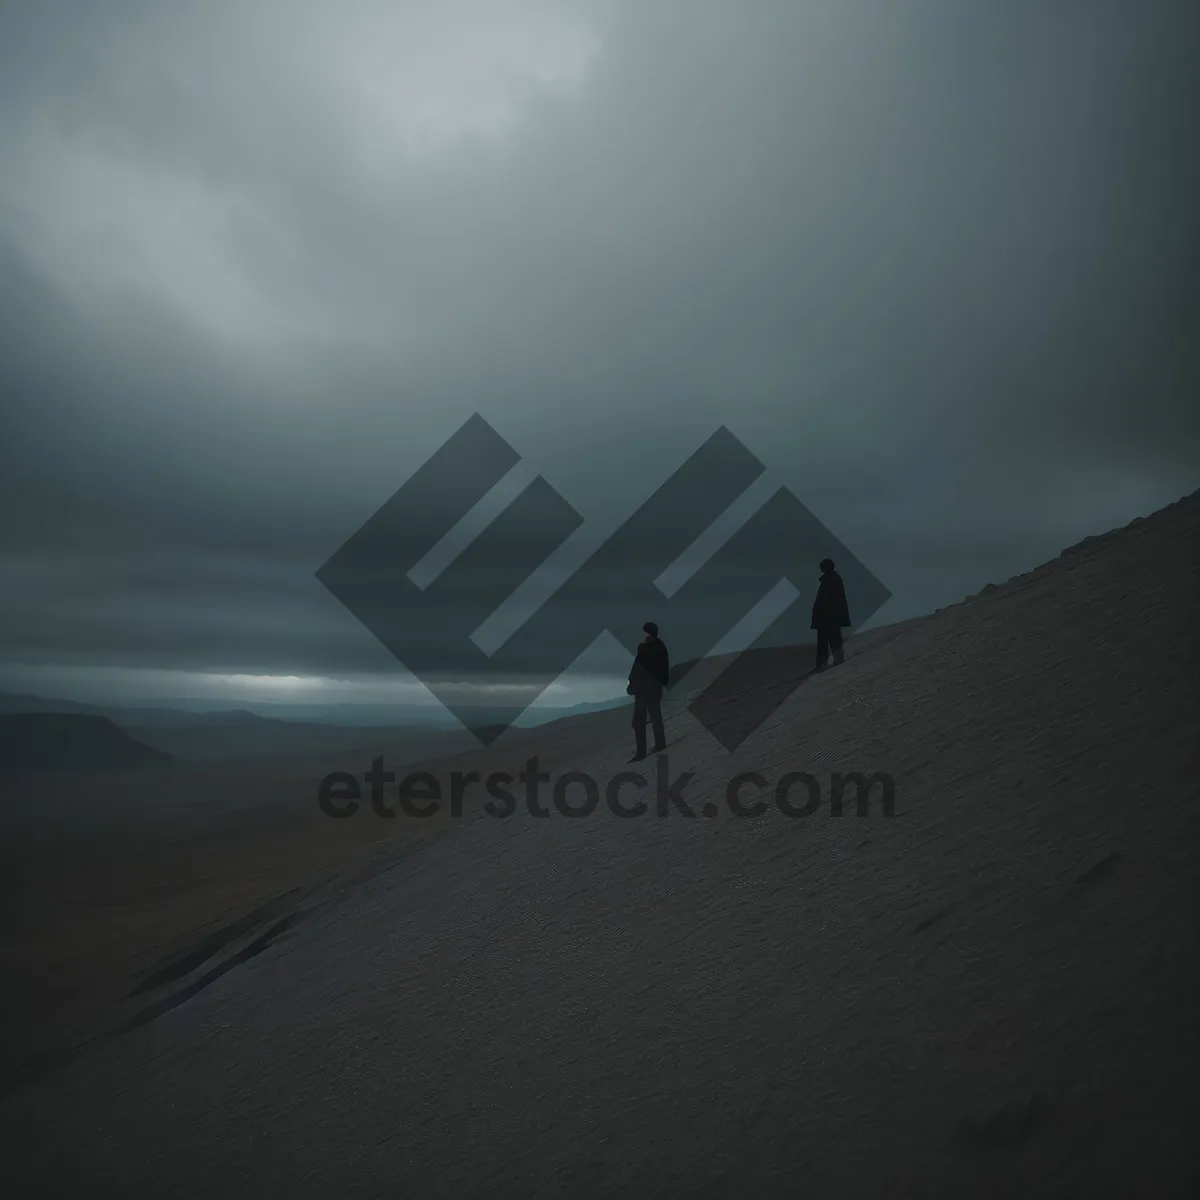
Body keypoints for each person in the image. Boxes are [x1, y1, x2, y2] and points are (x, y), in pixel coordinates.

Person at [627, 621, 669, 761]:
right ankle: (659, 744)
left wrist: (632, 684)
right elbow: (664, 670)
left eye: (645, 632)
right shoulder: (660, 646)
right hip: (653, 689)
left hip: (643, 690)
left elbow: (638, 668)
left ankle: (641, 752)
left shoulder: (645, 648)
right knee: (655, 716)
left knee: (639, 721)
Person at [811, 557, 850, 671]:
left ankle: (831, 662)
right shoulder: (830, 579)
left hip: (829, 616)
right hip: (828, 616)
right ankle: (825, 663)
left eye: (823, 566)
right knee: (829, 639)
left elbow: (829, 599)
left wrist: (824, 613)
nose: (821, 568)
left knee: (831, 639)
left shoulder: (832, 580)